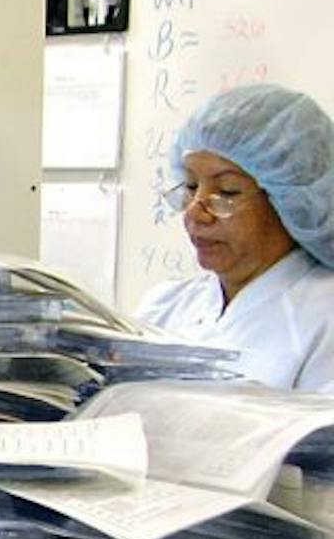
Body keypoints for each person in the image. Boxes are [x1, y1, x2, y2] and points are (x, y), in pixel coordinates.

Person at [138, 83, 334, 391]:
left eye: (227, 191)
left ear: (291, 201)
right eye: (190, 186)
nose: (195, 213)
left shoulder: (323, 318)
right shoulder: (164, 306)